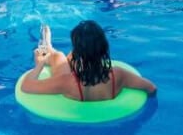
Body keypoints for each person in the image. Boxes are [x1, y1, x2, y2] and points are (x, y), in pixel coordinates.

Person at [20, 20, 156, 101]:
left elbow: (26, 86)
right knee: (66, 58)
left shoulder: (66, 82)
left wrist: (39, 64)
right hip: (104, 84)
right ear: (104, 47)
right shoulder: (119, 74)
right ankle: (50, 48)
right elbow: (151, 88)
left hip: (76, 87)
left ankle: (48, 50)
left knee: (59, 57)